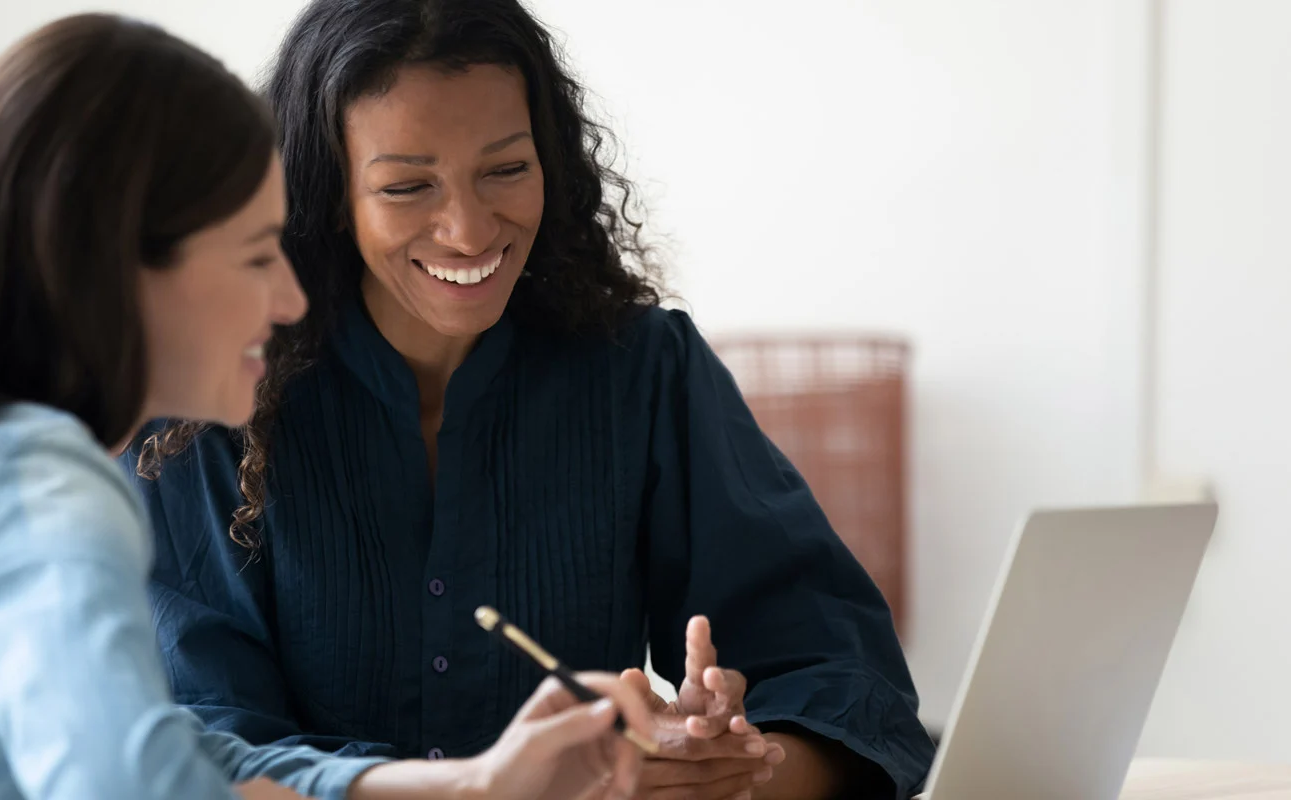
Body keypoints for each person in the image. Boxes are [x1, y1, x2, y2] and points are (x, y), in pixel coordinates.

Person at [0, 13, 653, 800]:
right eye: (254, 255)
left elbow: (169, 753)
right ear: (121, 273)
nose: (290, 299)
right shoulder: (32, 482)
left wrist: (480, 784)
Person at [125, 0, 936, 798]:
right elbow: (196, 741)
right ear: (328, 192)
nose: (470, 231)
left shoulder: (644, 371)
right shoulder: (211, 401)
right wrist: (475, 788)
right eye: (408, 186)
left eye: (507, 170)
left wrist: (726, 770)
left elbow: (848, 683)